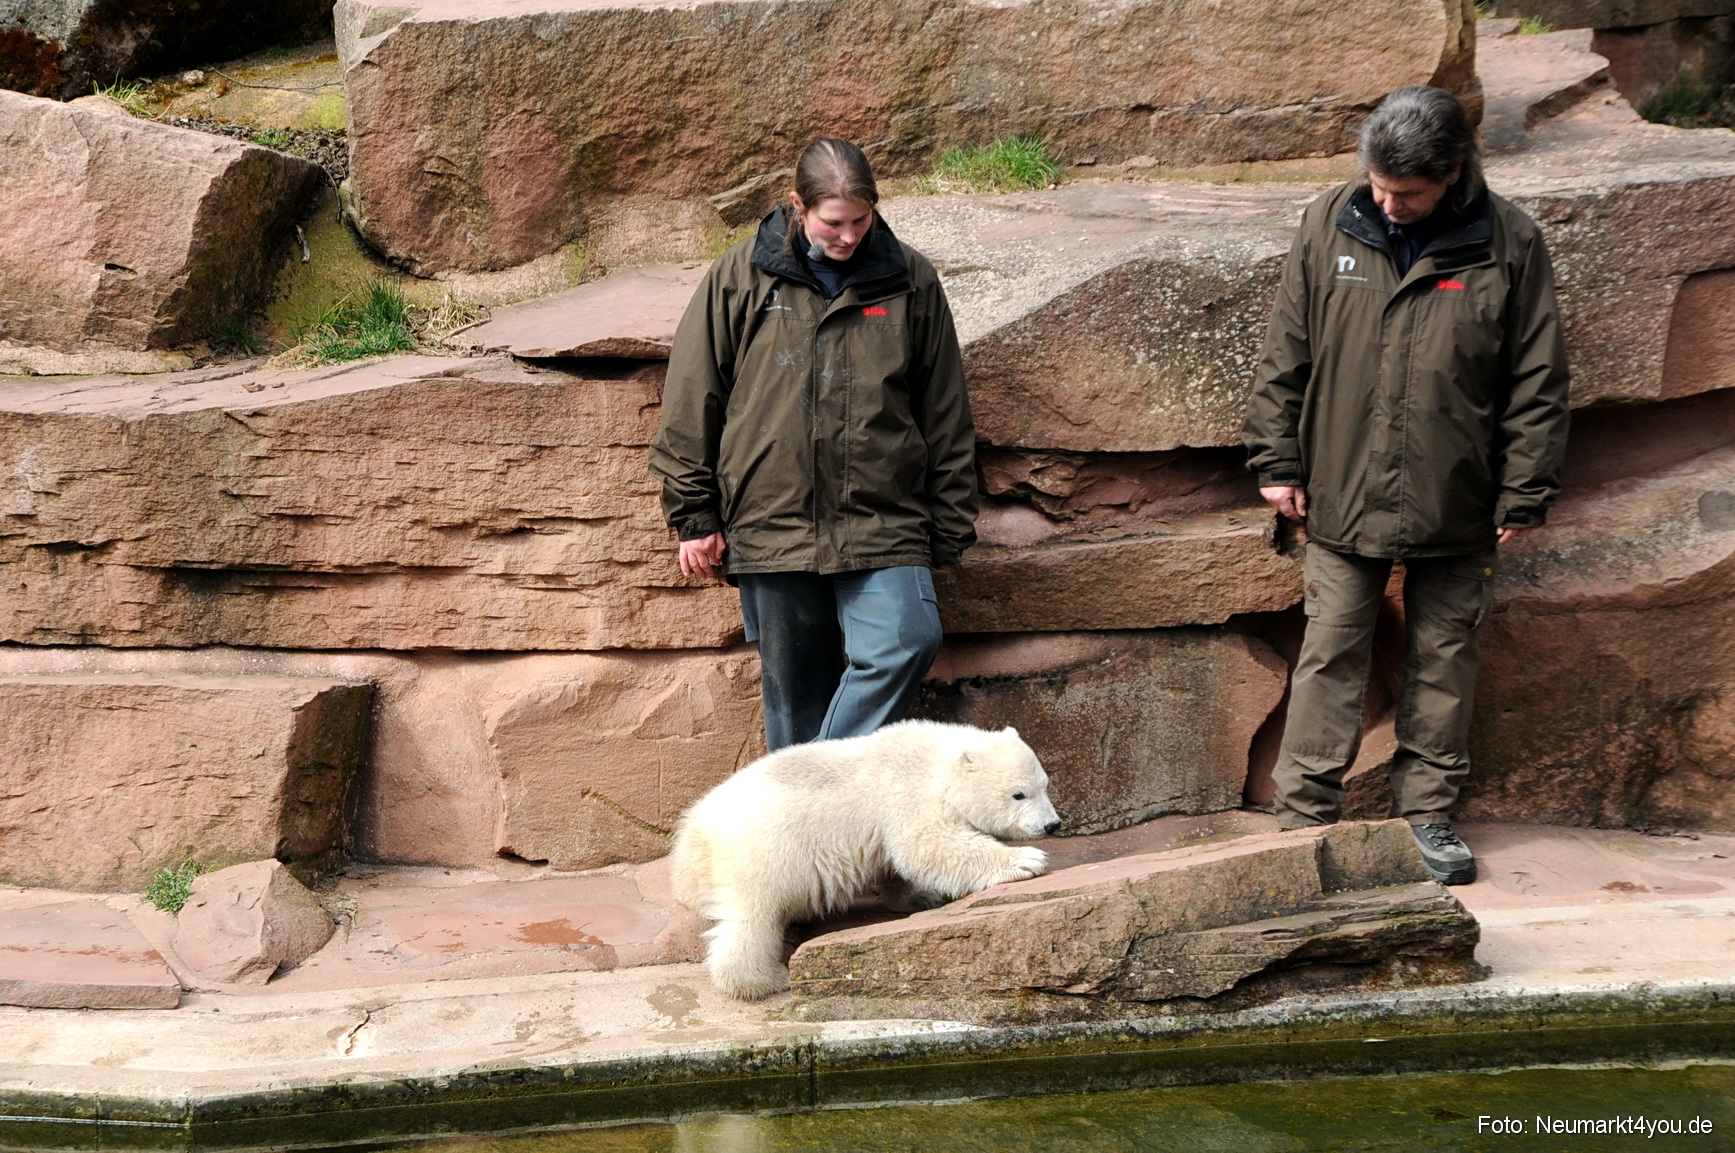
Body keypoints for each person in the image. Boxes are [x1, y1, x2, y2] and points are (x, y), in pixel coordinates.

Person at [1243, 86, 1571, 885]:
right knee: (1329, 651)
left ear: (1453, 174)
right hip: (1340, 486)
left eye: (1408, 193)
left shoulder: (1510, 241)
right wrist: (1275, 461)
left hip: (1459, 495)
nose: (1388, 204)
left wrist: (1524, 489)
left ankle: (1427, 814)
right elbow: (1286, 348)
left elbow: (1537, 379)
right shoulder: (1329, 221)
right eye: (1379, 186)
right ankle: (1302, 822)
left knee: (1443, 658)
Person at [649, 138, 976, 752]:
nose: (849, 236)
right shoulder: (739, 275)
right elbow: (693, 399)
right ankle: (805, 809)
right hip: (771, 520)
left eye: (861, 220)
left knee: (908, 641)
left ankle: (807, 783)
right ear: (798, 206)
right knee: (796, 700)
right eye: (833, 223)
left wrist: (949, 525)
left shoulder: (910, 279)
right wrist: (695, 515)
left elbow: (945, 412)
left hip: (884, 519)